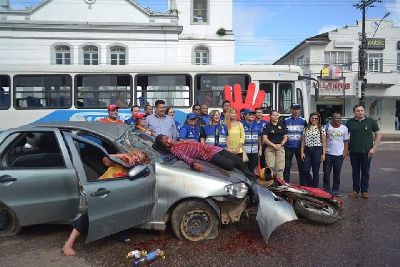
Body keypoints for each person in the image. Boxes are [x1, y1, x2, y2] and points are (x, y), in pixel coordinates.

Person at [63, 150, 150, 256]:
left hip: (117, 195)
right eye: (136, 155)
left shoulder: (135, 170)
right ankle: (68, 244)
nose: (137, 158)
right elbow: (105, 160)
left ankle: (119, 233)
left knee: (121, 212)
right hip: (102, 190)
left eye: (140, 158)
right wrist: (121, 156)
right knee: (88, 215)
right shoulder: (119, 162)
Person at [154, 135, 256, 181]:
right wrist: (193, 164)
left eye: (166, 138)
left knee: (239, 161)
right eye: (165, 142)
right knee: (230, 165)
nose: (168, 141)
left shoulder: (180, 140)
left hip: (214, 149)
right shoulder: (174, 150)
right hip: (209, 155)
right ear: (165, 146)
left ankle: (251, 178)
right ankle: (243, 179)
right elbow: (184, 157)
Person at [346, 104, 381, 199]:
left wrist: (374, 148)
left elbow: (378, 135)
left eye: (361, 110)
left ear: (364, 111)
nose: (360, 112)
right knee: (355, 172)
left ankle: (364, 191)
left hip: (367, 152)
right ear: (354, 112)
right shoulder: (350, 122)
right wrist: (347, 149)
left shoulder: (371, 121)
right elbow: (345, 137)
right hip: (354, 152)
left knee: (365, 172)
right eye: (358, 111)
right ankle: (355, 190)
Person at [323, 111, 349, 196]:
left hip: (339, 155)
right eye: (336, 118)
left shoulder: (344, 128)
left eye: (339, 118)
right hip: (328, 154)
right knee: (326, 173)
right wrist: (323, 153)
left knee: (337, 174)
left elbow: (346, 141)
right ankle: (326, 189)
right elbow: (323, 141)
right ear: (332, 118)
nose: (337, 120)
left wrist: (344, 153)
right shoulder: (326, 127)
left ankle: (335, 189)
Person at [283, 103, 307, 183]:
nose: (296, 111)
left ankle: (302, 185)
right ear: (291, 110)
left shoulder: (303, 121)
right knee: (287, 167)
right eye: (294, 109)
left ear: (299, 110)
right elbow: (283, 133)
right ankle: (286, 184)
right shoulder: (285, 120)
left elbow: (306, 133)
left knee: (302, 167)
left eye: (298, 109)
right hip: (288, 147)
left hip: (299, 147)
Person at [301, 112, 326, 188]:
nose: (314, 119)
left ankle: (315, 188)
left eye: (316, 118)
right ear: (310, 119)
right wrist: (301, 152)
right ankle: (310, 185)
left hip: (317, 150)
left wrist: (323, 154)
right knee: (306, 170)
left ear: (319, 119)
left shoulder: (321, 128)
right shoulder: (306, 128)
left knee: (315, 171)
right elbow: (303, 141)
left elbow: (324, 141)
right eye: (312, 118)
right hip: (307, 150)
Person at [262, 110, 287, 179]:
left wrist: (281, 144)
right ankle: (270, 184)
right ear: (270, 116)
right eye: (273, 115)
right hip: (270, 148)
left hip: (280, 148)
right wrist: (273, 145)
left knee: (280, 168)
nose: (275, 117)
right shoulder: (267, 125)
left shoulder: (282, 125)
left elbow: (285, 137)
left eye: (277, 115)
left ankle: (280, 184)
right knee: (270, 168)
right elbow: (264, 138)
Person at [241, 109, 263, 173]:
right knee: (243, 169)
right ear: (245, 116)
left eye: (252, 114)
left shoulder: (257, 124)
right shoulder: (240, 124)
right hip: (244, 151)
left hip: (254, 151)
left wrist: (260, 149)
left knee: (252, 169)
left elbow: (259, 137)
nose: (252, 116)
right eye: (250, 114)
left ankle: (250, 182)